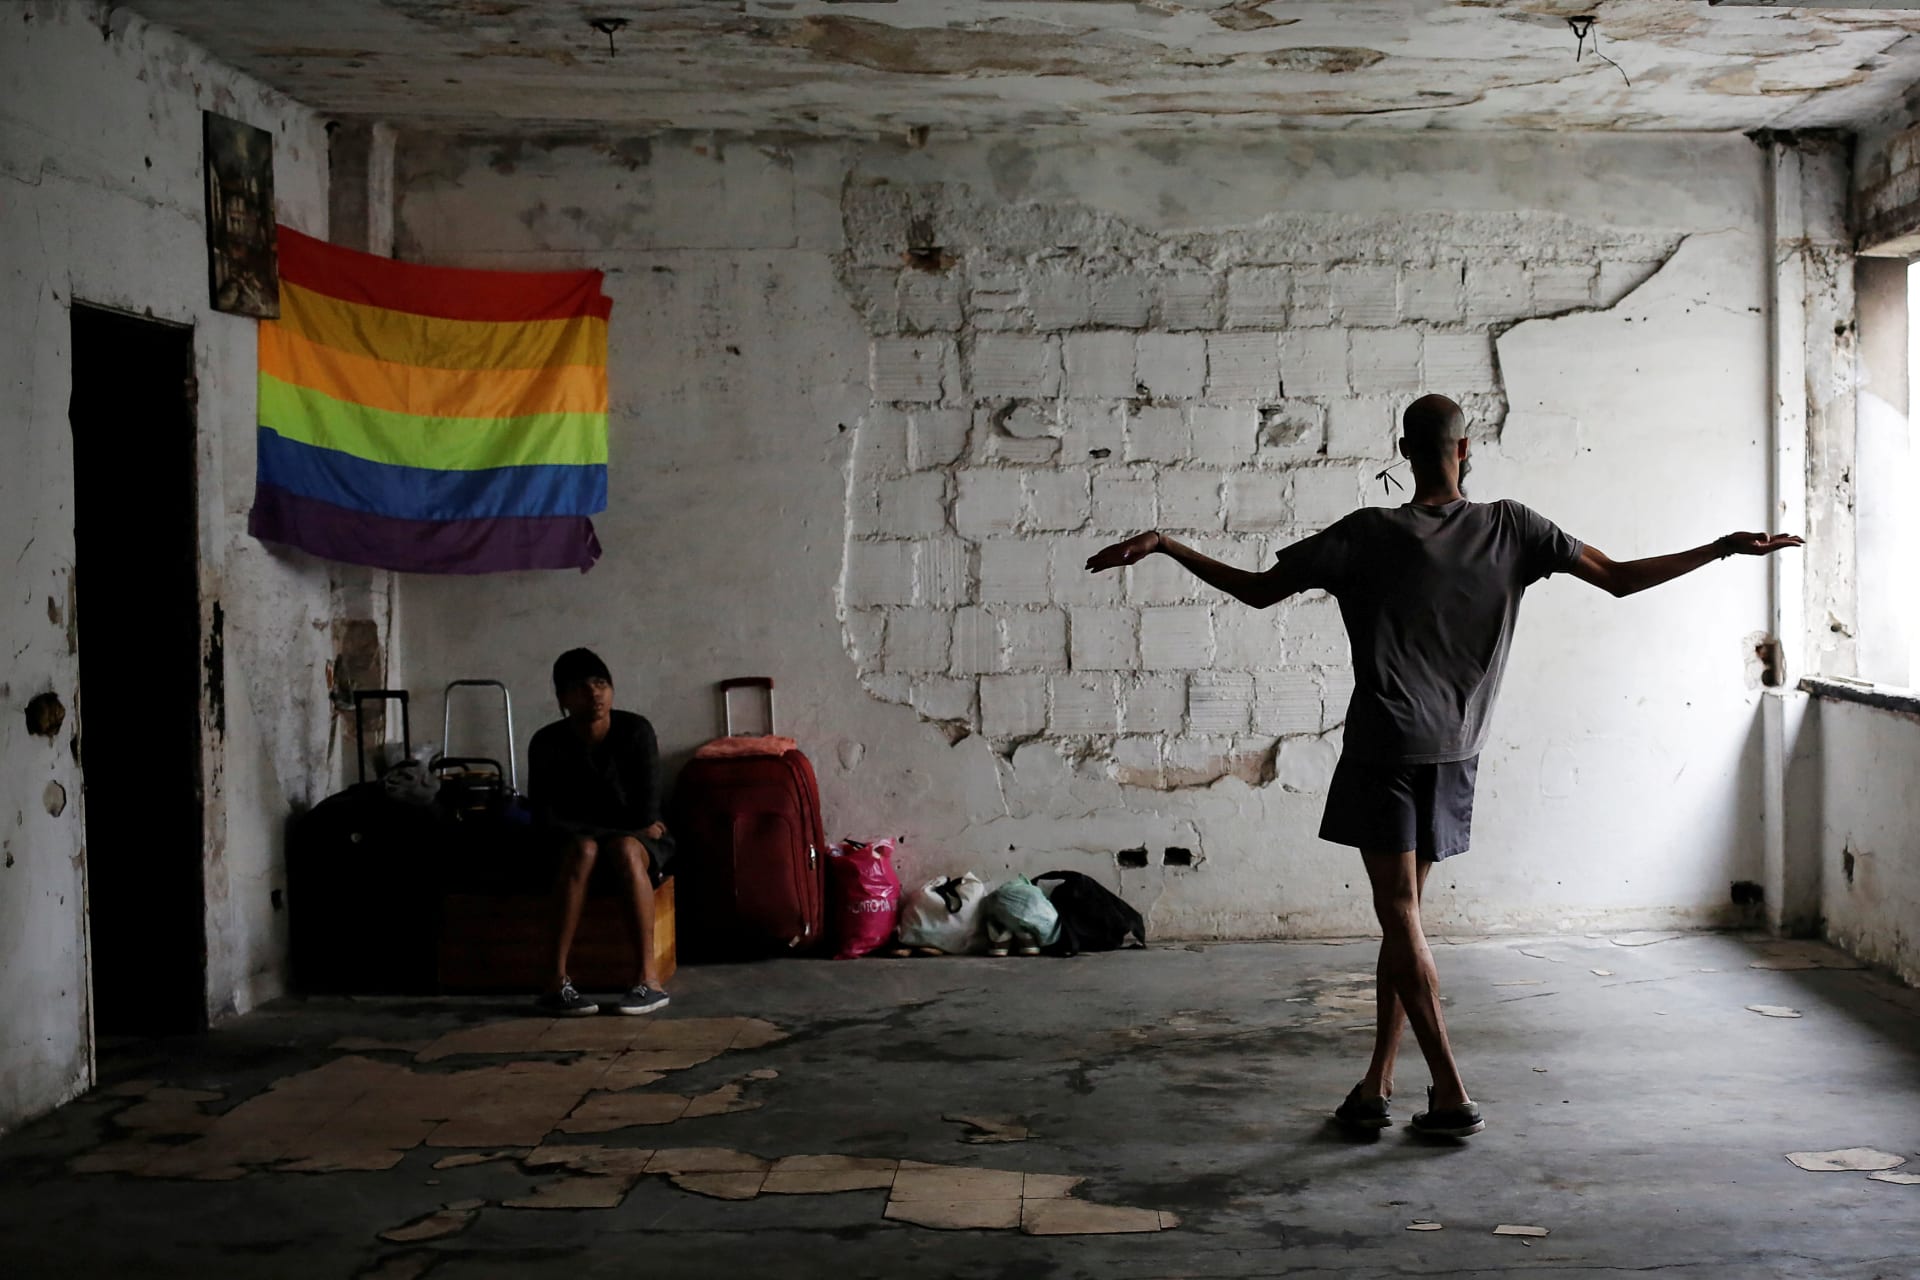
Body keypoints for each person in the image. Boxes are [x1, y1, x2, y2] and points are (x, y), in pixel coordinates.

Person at [1085, 393, 1802, 1138]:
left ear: (1404, 451)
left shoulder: (1365, 534)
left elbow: (1259, 593)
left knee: (1399, 919)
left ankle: (1451, 1091)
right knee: (1407, 923)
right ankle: (1377, 1083)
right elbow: (1619, 577)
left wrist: (1167, 544)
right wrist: (1720, 548)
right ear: (1468, 451)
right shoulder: (1514, 528)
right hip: (1457, 752)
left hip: (1384, 748)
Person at [528, 647, 673, 1017]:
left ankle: (647, 981)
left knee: (624, 848)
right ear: (562, 698)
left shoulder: (636, 731)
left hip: (635, 843)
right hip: (577, 844)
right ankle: (555, 982)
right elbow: (545, 818)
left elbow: (647, 814)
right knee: (585, 849)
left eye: (601, 683)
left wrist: (611, 829)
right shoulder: (546, 743)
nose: (594, 694)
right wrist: (607, 829)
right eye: (580, 687)